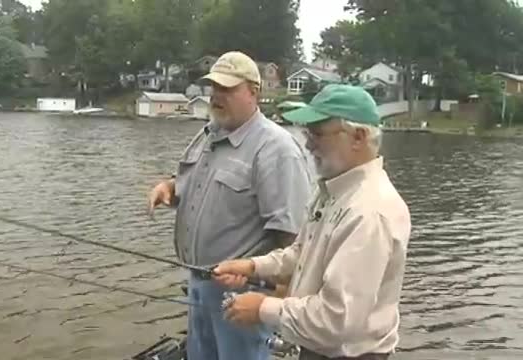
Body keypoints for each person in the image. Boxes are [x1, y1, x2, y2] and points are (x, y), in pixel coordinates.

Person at [213, 84, 412, 360]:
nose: (308, 144)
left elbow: (336, 319)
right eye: (308, 134)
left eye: (317, 134)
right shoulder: (332, 189)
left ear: (358, 136)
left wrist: (262, 308)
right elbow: (303, 253)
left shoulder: (369, 212)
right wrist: (252, 267)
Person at [147, 51, 312, 360]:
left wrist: (274, 304)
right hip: (198, 283)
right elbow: (187, 182)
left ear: (254, 92)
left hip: (243, 294)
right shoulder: (209, 133)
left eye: (227, 89)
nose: (217, 96)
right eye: (214, 88)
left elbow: (293, 239)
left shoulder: (276, 149)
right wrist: (167, 188)